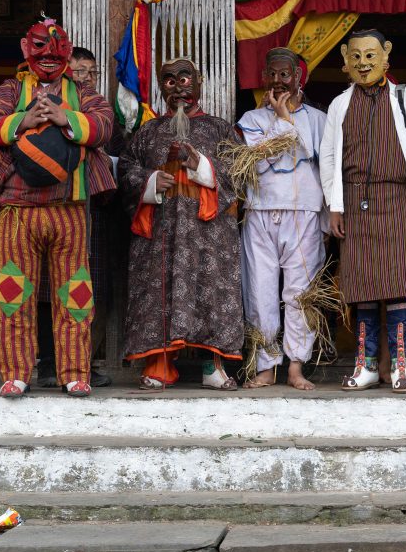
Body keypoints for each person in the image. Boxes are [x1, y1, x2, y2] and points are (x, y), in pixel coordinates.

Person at [0, 18, 115, 398]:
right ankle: (16, 373)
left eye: (58, 51)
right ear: (26, 49)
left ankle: (74, 371)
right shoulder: (10, 89)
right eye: (40, 48)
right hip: (17, 209)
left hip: (69, 207)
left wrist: (65, 118)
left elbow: (105, 125)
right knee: (13, 292)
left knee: (75, 293)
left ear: (68, 54)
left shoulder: (83, 93)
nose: (49, 57)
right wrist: (25, 119)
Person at [319, 29, 406, 393]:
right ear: (345, 60)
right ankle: (367, 365)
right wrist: (334, 206)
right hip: (353, 203)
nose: (363, 63)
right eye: (355, 57)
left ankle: (403, 365)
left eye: (371, 55)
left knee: (399, 285)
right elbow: (328, 157)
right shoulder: (340, 104)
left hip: (396, 200)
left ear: (387, 55)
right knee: (362, 289)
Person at [118, 58, 243, 390]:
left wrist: (200, 164)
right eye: (170, 82)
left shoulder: (221, 128)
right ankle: (159, 366)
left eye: (185, 78)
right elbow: (125, 171)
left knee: (211, 295)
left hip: (209, 234)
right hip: (161, 232)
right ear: (161, 89)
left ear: (199, 82)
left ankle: (211, 366)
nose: (179, 87)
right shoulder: (147, 132)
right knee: (158, 295)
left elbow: (240, 172)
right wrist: (148, 181)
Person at [235, 47, 327, 390]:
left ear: (298, 78)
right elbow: (256, 163)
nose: (277, 81)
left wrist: (287, 118)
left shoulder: (318, 120)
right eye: (271, 74)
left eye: (284, 74)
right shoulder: (250, 120)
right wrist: (280, 119)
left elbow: (323, 163)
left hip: (304, 212)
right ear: (263, 78)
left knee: (300, 293)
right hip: (260, 213)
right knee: (260, 290)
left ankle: (295, 367)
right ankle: (266, 366)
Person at [35, 46, 121, 388]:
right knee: (47, 289)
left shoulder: (99, 109)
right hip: (53, 203)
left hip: (91, 210)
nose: (84, 78)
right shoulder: (44, 100)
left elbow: (110, 146)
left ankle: (79, 363)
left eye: (91, 72)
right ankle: (47, 365)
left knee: (87, 288)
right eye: (78, 71)